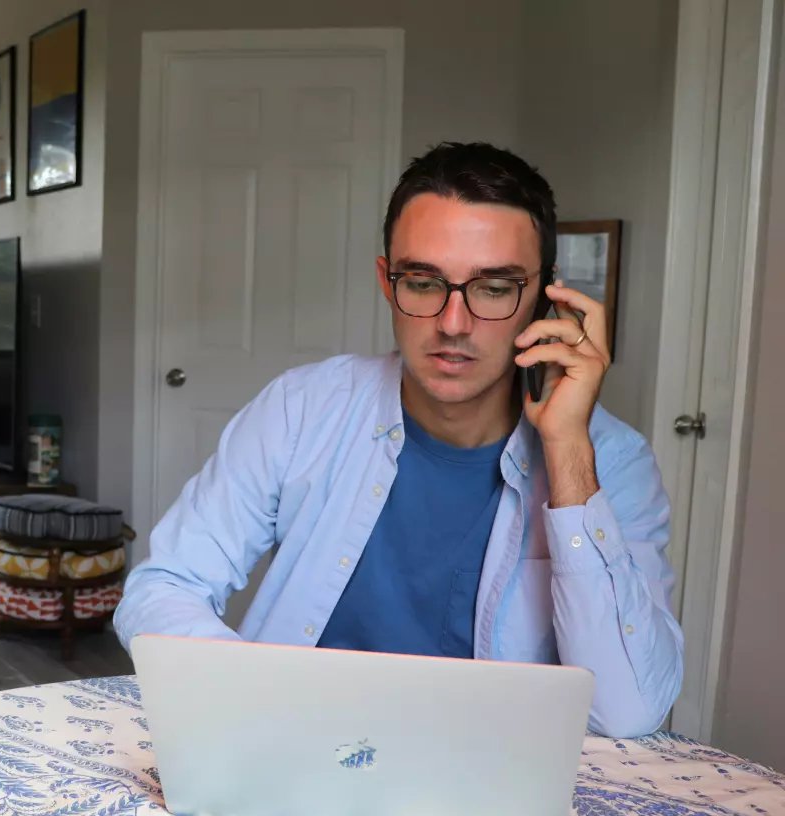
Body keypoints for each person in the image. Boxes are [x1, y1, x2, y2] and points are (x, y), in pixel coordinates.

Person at [114, 142, 683, 739]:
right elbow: (165, 585)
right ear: (388, 281)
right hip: (290, 744)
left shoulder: (608, 461)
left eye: (493, 288)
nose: (453, 324)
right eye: (423, 281)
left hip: (484, 774)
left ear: (543, 297)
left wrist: (567, 453)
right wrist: (261, 696)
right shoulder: (302, 409)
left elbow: (629, 710)